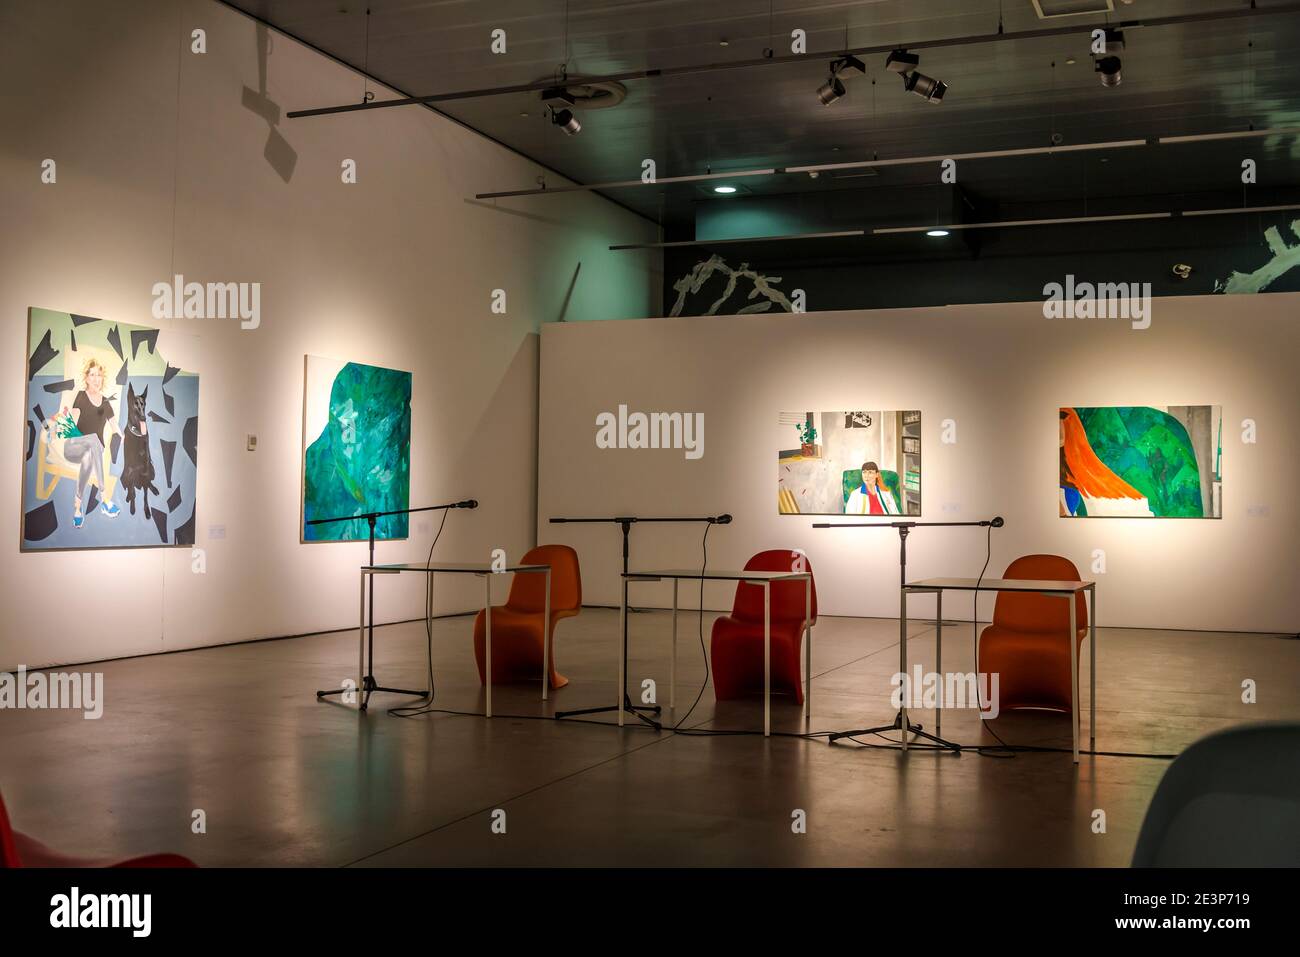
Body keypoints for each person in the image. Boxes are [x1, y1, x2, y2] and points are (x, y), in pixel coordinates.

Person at [44, 357, 122, 529]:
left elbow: (116, 426)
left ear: (103, 378)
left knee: (91, 455)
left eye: (99, 375)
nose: (96, 378)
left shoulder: (106, 402)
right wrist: (57, 427)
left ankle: (77, 509)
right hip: (74, 448)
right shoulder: (81, 396)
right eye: (92, 375)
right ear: (86, 378)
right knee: (93, 440)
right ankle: (105, 499)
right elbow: (73, 417)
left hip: (93, 452)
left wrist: (124, 437)